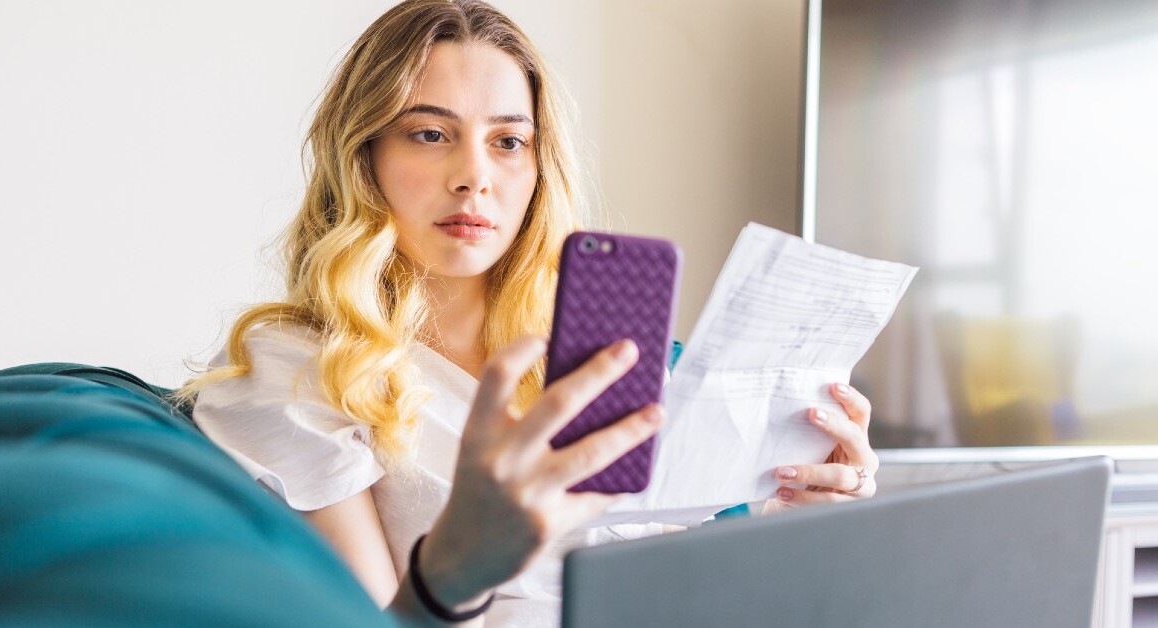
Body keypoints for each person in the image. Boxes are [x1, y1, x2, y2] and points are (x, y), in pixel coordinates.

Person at [181, 1, 880, 626]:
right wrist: (460, 563)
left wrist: (800, 522)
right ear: (363, 157)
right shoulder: (295, 368)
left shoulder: (598, 360)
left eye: (508, 141)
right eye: (430, 134)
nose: (475, 176)